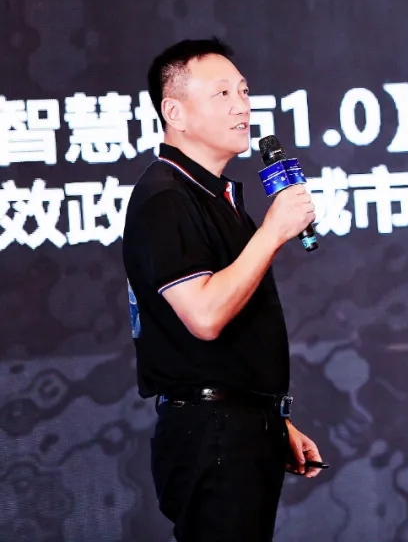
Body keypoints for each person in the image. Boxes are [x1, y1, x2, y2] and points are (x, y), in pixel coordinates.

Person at [122, 38, 323, 541]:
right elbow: (206, 316)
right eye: (222, 94)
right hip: (210, 434)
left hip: (236, 425)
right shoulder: (165, 197)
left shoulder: (215, 196)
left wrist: (269, 416)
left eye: (244, 91)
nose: (242, 106)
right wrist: (272, 232)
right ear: (175, 112)